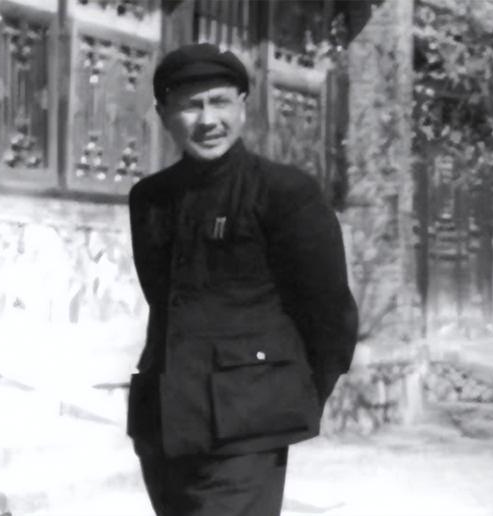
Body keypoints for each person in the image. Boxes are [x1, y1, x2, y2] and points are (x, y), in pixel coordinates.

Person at [127, 43, 358, 516]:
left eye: (220, 102)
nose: (208, 120)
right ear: (163, 113)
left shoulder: (284, 193)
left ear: (243, 107)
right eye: (191, 106)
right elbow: (165, 305)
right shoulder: (150, 199)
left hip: (248, 425)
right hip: (165, 425)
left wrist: (279, 393)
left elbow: (330, 316)